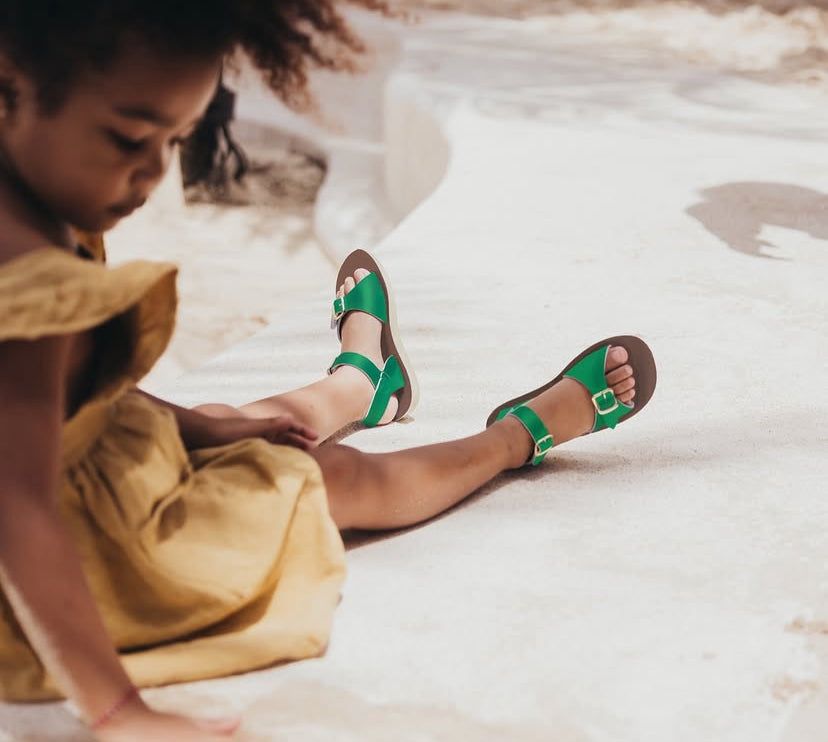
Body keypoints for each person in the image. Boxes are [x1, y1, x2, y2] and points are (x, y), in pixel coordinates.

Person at [0, 2, 657, 740]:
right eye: (129, 138)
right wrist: (118, 713)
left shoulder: (30, 188)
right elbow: (20, 507)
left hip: (83, 451)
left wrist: (201, 426)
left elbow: (69, 396)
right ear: (13, 79)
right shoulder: (26, 274)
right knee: (331, 478)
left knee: (224, 424)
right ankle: (516, 435)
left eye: (177, 141)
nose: (153, 173)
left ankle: (358, 383)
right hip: (61, 566)